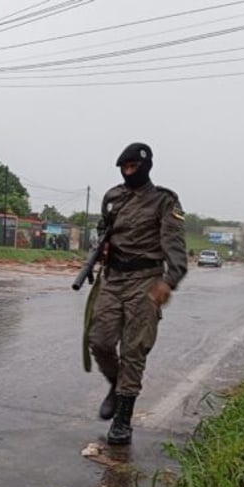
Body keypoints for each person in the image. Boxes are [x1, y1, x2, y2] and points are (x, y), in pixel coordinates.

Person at [86, 143, 187, 445]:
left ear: (145, 167)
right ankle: (116, 384)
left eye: (133, 167)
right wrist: (99, 250)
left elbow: (175, 247)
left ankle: (123, 419)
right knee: (99, 340)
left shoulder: (164, 201)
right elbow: (104, 230)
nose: (128, 172)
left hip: (146, 280)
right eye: (124, 168)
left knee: (134, 349)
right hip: (113, 278)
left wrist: (169, 281)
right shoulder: (113, 197)